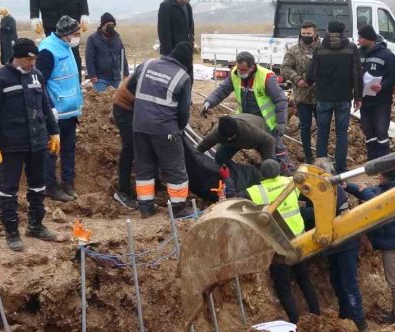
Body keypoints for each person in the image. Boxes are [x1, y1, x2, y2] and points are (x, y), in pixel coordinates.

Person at [0, 38, 61, 251]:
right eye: (29, 59)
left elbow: (45, 105)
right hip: (11, 144)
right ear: (17, 57)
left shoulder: (37, 76)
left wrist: (54, 132)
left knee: (38, 184)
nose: (32, 63)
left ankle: (35, 225)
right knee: (8, 189)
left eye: (34, 58)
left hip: (37, 141)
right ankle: (11, 231)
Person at [247, 159, 320, 324]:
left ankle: (295, 323)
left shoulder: (256, 191)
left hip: (278, 246)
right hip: (299, 241)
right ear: (280, 170)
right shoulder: (290, 182)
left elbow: (236, 198)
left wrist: (226, 179)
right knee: (305, 282)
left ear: (261, 174)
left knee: (284, 288)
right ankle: (317, 317)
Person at [130, 41, 194, 218]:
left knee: (144, 167)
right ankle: (179, 208)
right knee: (174, 168)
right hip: (165, 128)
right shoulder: (183, 77)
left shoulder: (147, 64)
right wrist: (178, 129)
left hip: (139, 126)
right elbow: (183, 111)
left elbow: (130, 87)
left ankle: (145, 207)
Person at [202, 51, 291, 170]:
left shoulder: (266, 77)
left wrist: (281, 122)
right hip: (245, 120)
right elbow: (222, 90)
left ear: (252, 67)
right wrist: (209, 102)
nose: (240, 72)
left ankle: (287, 172)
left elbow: (281, 100)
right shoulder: (235, 73)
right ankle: (221, 170)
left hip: (266, 122)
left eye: (243, 70)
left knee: (276, 150)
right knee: (227, 147)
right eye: (238, 68)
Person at [345, 168, 395, 323]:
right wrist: (347, 186)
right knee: (394, 282)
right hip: (392, 242)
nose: (379, 177)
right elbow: (372, 191)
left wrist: (355, 188)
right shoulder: (393, 184)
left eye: (382, 175)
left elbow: (378, 201)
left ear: (390, 178)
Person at [307, 158, 365, 332]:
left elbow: (322, 214)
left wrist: (302, 212)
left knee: (348, 283)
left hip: (345, 244)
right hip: (335, 246)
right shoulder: (325, 190)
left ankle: (358, 321)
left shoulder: (333, 192)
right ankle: (345, 315)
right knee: (337, 281)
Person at [37, 15, 84, 202]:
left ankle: (68, 184)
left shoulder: (67, 46)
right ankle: (51, 187)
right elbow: (40, 83)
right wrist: (50, 108)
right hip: (56, 113)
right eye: (76, 34)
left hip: (70, 111)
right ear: (65, 34)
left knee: (69, 149)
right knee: (51, 151)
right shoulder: (48, 51)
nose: (78, 37)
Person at [306, 21, 361, 173]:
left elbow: (310, 74)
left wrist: (309, 81)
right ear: (343, 31)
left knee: (322, 132)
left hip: (323, 97)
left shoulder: (319, 48)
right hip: (344, 97)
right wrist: (358, 97)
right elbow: (357, 74)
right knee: (341, 133)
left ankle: (321, 168)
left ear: (327, 31)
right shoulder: (351, 48)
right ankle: (341, 168)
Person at [357, 24, 395, 160]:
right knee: (369, 133)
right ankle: (372, 161)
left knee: (381, 132)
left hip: (381, 101)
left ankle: (383, 162)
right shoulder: (359, 53)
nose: (359, 40)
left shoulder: (387, 55)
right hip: (364, 101)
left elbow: (393, 76)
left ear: (369, 38)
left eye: (361, 37)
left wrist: (383, 86)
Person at [280, 21, 319, 162]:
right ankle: (309, 156)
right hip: (302, 96)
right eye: (304, 34)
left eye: (309, 33)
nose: (306, 36)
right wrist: (297, 79)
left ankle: (321, 155)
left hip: (321, 96)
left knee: (323, 127)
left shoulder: (322, 49)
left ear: (315, 33)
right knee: (305, 126)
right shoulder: (293, 51)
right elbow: (284, 68)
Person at [196, 113, 275, 167]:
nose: (229, 139)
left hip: (258, 131)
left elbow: (269, 140)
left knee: (268, 165)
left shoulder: (250, 131)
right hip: (235, 142)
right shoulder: (217, 133)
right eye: (227, 138)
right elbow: (202, 146)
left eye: (231, 137)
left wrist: (269, 164)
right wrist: (195, 157)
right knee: (219, 159)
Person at [111, 73, 138, 209]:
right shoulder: (153, 73)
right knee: (130, 148)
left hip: (137, 106)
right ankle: (123, 191)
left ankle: (155, 183)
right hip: (125, 108)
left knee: (147, 144)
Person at [157, 0, 194, 78]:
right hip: (173, 57)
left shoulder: (188, 6)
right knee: (173, 84)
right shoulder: (166, 6)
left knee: (188, 81)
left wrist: (191, 45)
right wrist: (168, 58)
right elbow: (163, 34)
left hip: (186, 55)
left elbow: (191, 29)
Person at [86, 12, 128, 92]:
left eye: (112, 24)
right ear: (102, 25)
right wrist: (92, 75)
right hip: (100, 78)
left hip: (115, 78)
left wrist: (126, 73)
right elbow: (89, 58)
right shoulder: (93, 39)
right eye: (108, 24)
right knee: (101, 101)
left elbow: (123, 56)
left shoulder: (117, 39)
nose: (111, 27)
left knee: (114, 101)